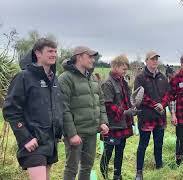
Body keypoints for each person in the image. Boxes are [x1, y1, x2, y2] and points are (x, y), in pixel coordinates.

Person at [3, 38, 63, 180]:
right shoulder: (23, 77)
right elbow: (10, 110)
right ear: (37, 53)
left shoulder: (55, 79)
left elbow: (58, 107)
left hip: (50, 142)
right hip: (33, 143)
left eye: (55, 51)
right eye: (49, 51)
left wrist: (59, 132)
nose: (54, 54)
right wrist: (26, 138)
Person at [59, 46, 109, 180]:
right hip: (76, 132)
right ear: (79, 57)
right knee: (71, 168)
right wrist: (72, 134)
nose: (93, 60)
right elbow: (64, 108)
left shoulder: (92, 78)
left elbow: (101, 101)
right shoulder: (65, 78)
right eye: (90, 56)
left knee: (87, 166)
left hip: (92, 131)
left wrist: (103, 122)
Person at [100, 55, 139, 180]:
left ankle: (117, 175)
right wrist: (123, 112)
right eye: (123, 68)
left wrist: (132, 109)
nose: (125, 71)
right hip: (113, 124)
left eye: (126, 69)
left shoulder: (123, 82)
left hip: (124, 123)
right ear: (115, 66)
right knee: (108, 151)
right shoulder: (108, 83)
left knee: (120, 150)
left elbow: (128, 99)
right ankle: (104, 174)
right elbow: (107, 105)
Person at [134, 51, 170, 180]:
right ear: (146, 61)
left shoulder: (162, 77)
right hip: (146, 117)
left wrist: (163, 104)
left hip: (160, 116)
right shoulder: (140, 77)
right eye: (152, 59)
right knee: (143, 144)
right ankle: (139, 171)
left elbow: (168, 93)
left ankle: (159, 165)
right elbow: (140, 96)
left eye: (156, 59)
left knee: (159, 143)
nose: (155, 61)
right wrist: (156, 104)